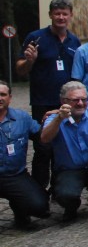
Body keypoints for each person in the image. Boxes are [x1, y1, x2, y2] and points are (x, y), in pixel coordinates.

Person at [15, 0, 80, 191]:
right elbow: (20, 70)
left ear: (70, 15)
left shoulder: (74, 41)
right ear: (50, 14)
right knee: (43, 147)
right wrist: (30, 61)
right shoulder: (36, 37)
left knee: (63, 147)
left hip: (66, 104)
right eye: (57, 13)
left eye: (64, 14)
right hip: (42, 102)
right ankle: (39, 189)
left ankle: (58, 189)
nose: (61, 17)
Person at [41, 81, 88, 221]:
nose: (80, 103)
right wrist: (59, 119)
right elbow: (45, 139)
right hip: (70, 169)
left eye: (84, 99)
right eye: (75, 100)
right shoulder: (54, 118)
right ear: (63, 101)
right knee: (65, 195)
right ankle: (72, 207)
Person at [0, 81, 50, 228]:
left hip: (15, 175)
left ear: (10, 98)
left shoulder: (22, 118)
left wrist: (54, 120)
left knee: (39, 206)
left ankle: (20, 211)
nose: (0, 98)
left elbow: (43, 137)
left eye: (3, 94)